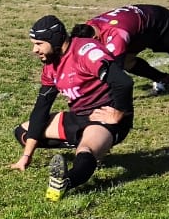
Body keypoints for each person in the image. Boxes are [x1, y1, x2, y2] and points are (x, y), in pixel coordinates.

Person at [9, 15, 134, 200]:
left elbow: (123, 82)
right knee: (23, 132)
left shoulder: (86, 51)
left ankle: (65, 181)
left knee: (86, 151)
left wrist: (119, 114)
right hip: (79, 116)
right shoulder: (51, 65)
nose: (34, 50)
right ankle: (89, 147)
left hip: (103, 116)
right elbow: (41, 109)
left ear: (55, 40)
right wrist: (26, 156)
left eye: (39, 44)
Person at [75, 3, 169, 93]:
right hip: (139, 27)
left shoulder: (117, 34)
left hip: (160, 21)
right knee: (127, 62)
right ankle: (162, 78)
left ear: (94, 38)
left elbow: (114, 71)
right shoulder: (90, 25)